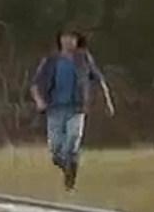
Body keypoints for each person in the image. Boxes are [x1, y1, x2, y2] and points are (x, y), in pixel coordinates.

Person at [30, 28, 115, 191]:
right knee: (56, 152)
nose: (69, 41)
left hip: (76, 108)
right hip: (54, 109)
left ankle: (70, 179)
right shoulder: (51, 60)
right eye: (65, 37)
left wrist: (107, 101)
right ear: (60, 39)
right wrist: (39, 101)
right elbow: (35, 85)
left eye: (72, 38)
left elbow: (99, 80)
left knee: (72, 141)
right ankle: (69, 169)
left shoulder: (83, 59)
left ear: (77, 41)